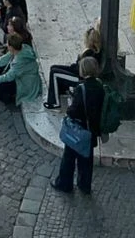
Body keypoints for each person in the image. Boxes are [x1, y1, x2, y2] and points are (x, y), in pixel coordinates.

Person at [50, 58, 103, 194]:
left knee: (69, 157)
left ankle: (64, 183)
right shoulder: (100, 86)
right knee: (87, 159)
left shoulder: (81, 88)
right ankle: (84, 185)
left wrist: (69, 107)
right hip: (92, 130)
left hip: (78, 129)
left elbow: (74, 110)